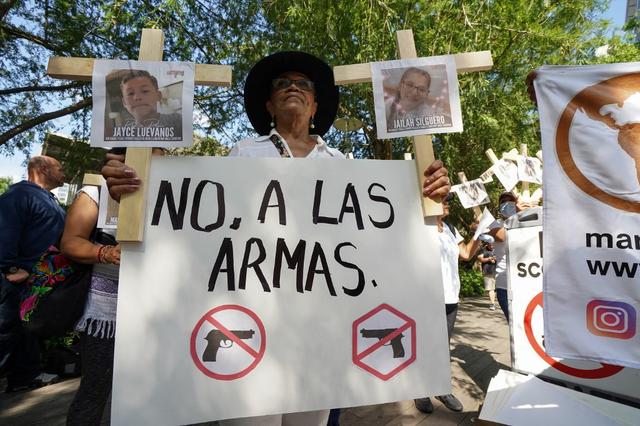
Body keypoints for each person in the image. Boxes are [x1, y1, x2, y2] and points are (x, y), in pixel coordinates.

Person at [102, 51, 451, 425]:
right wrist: (137, 189)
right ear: (269, 104)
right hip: (247, 324)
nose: (293, 88)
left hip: (318, 331)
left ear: (316, 105)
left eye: (304, 85)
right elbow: (193, 222)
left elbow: (386, 236)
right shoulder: (241, 154)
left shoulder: (343, 167)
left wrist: (426, 197)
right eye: (283, 84)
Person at [63, 148, 163, 425]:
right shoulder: (96, 191)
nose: (158, 157)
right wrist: (107, 254)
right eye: (150, 151)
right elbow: (71, 242)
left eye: (162, 151)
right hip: (108, 311)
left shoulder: (174, 191)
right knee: (96, 387)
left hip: (159, 309)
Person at [0, 156, 65, 392]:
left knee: (25, 329)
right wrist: (11, 269)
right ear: (43, 169)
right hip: (16, 279)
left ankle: (24, 377)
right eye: (60, 167)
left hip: (39, 280)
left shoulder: (49, 199)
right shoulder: (19, 195)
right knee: (5, 330)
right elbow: (4, 231)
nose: (64, 172)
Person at [414, 193, 481, 414]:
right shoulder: (420, 226)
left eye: (447, 200)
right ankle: (421, 390)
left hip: (451, 296)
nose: (446, 204)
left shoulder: (451, 229)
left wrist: (478, 234)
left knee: (442, 346)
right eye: (442, 200)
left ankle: (441, 388)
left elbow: (466, 253)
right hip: (426, 297)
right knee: (425, 345)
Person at [386, 67, 451, 132]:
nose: (414, 92)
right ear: (400, 86)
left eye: (421, 89)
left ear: (426, 94)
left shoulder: (427, 118)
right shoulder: (388, 104)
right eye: (409, 85)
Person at [115, 70, 181, 133]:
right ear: (124, 102)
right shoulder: (122, 136)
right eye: (130, 93)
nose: (137, 97)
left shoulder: (177, 121)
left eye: (145, 91)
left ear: (158, 96)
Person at [477, 236, 497, 310]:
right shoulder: (483, 250)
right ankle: (493, 304)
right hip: (488, 272)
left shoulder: (497, 249)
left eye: (493, 244)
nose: (492, 246)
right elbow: (480, 258)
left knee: (501, 289)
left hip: (499, 271)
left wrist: (496, 258)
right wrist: (489, 259)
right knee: (491, 289)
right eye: (491, 244)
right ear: (488, 244)